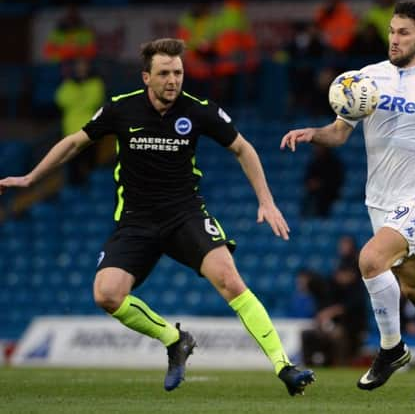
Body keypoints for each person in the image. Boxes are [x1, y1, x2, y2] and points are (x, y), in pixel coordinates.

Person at [0, 38, 314, 396]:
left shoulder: (198, 110)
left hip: (185, 215)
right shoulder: (121, 109)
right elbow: (75, 142)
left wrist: (266, 201)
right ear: (146, 77)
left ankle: (284, 366)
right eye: (164, 73)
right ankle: (175, 340)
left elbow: (243, 147)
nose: (173, 80)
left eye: (178, 72)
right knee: (106, 295)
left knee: (228, 278)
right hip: (136, 220)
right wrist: (30, 178)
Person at [280, 1, 415, 391]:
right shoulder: (368, 78)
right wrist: (313, 133)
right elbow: (339, 131)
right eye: (391, 31)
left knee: (370, 259)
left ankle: (391, 349)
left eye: (403, 32)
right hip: (379, 199)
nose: (394, 39)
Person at [54, 58, 105, 185]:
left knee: (91, 165)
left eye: (83, 65)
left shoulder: (96, 83)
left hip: (90, 130)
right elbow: (60, 100)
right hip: (70, 131)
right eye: (78, 66)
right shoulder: (68, 84)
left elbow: (94, 101)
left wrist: (75, 99)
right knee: (72, 168)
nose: (80, 69)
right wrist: (81, 97)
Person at [301, 144, 344, 217]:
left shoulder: (333, 163)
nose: (316, 149)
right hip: (313, 195)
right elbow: (306, 180)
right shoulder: (314, 162)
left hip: (330, 196)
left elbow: (336, 181)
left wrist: (320, 184)